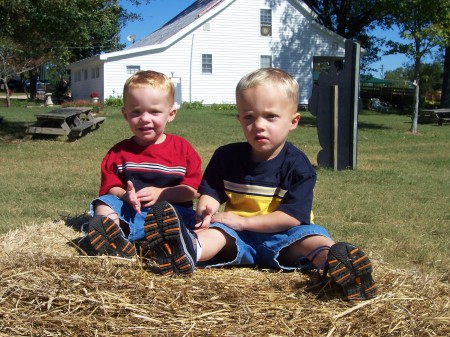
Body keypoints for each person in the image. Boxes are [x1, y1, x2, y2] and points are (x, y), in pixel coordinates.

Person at [143, 68, 377, 300]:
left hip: (285, 235)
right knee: (213, 235)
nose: (259, 125)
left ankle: (339, 267)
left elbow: (293, 217)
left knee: (314, 238)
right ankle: (184, 251)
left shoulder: (298, 166)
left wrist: (245, 222)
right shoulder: (226, 156)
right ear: (239, 119)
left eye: (270, 116)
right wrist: (207, 207)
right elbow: (211, 190)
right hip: (236, 235)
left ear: (293, 121)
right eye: (249, 117)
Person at [87, 70, 202, 271]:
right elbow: (110, 187)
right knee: (103, 203)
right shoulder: (119, 152)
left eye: (154, 112)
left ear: (171, 114)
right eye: (136, 112)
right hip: (132, 211)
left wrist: (163, 194)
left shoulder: (182, 150)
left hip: (171, 215)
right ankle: (113, 238)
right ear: (125, 114)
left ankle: (159, 242)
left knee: (176, 221)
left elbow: (194, 189)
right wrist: (124, 195)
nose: (144, 119)